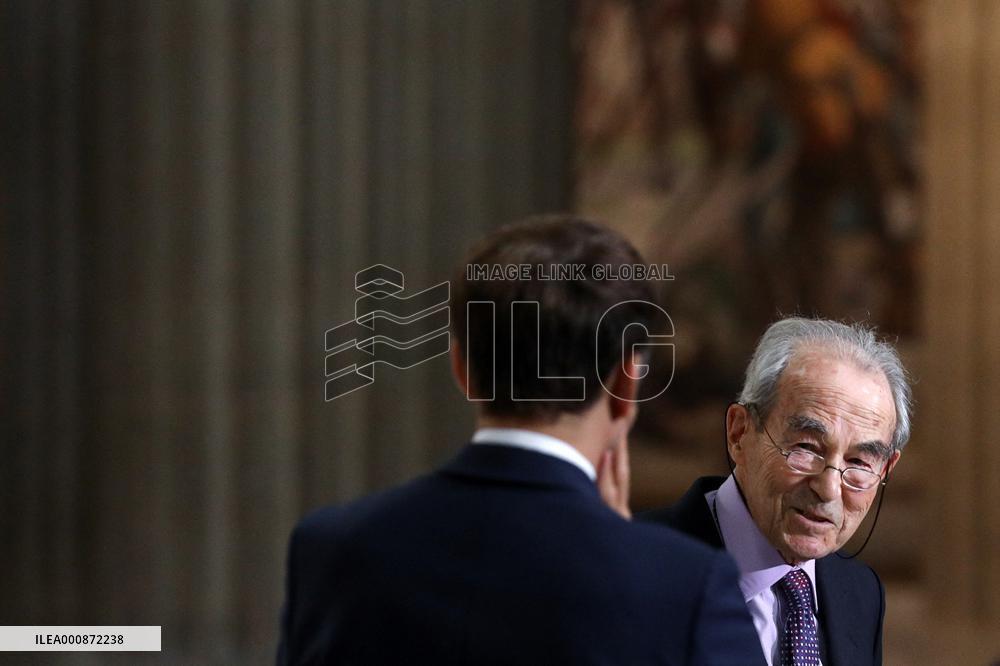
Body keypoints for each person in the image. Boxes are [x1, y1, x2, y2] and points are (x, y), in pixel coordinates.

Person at [277, 216, 764, 665]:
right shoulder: (685, 587)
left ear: (462, 368)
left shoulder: (330, 550)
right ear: (626, 384)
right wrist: (631, 562)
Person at [641, 317, 912, 666]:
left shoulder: (861, 593)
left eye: (859, 462)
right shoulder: (635, 570)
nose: (828, 489)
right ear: (739, 433)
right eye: (806, 447)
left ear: (885, 469)